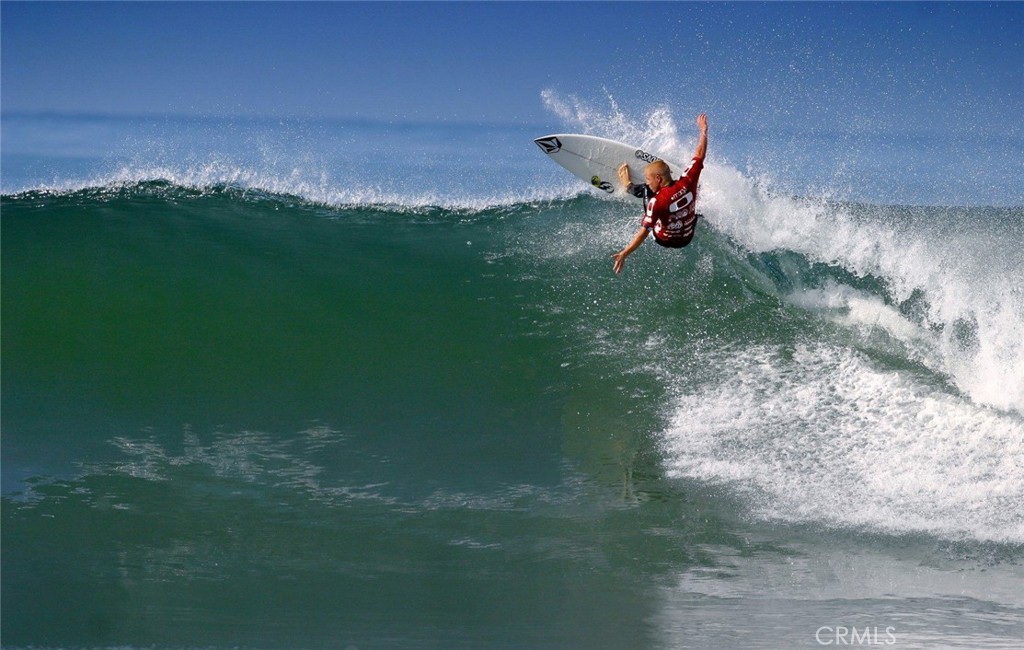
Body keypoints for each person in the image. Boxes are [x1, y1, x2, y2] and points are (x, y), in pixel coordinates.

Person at [611, 113, 708, 274]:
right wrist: (703, 130)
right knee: (691, 200)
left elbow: (643, 233)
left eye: (648, 179)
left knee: (647, 193)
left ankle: (629, 186)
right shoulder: (688, 180)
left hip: (663, 239)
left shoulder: (657, 202)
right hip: (687, 238)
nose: (647, 181)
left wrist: (624, 253)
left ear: (658, 178)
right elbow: (699, 155)